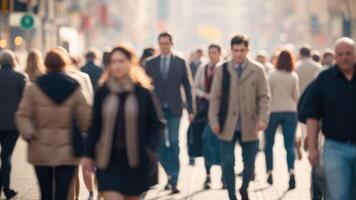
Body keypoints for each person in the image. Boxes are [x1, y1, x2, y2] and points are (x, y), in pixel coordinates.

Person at [81, 45, 165, 200]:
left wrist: (149, 150)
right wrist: (88, 154)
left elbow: (157, 124)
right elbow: (95, 125)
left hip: (136, 160)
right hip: (108, 159)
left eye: (121, 61)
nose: (117, 65)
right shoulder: (103, 92)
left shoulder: (143, 92)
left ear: (130, 63)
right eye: (113, 62)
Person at [15, 48, 91, 200]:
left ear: (46, 64)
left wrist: (29, 133)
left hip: (40, 146)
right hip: (68, 148)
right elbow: (87, 119)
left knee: (45, 193)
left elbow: (22, 115)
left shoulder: (33, 88)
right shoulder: (75, 87)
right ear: (65, 64)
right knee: (62, 194)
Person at [209, 35, 271, 200]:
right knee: (228, 162)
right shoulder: (222, 69)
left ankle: (244, 188)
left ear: (247, 50)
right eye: (235, 50)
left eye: (242, 50)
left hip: (250, 124)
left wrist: (263, 118)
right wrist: (214, 120)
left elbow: (264, 97)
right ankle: (231, 195)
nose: (238, 54)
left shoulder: (257, 70)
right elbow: (215, 97)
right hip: (226, 123)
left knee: (249, 163)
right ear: (231, 50)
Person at [145, 32, 195, 194]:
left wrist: (191, 110)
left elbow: (188, 87)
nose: (164, 46)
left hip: (175, 109)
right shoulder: (150, 63)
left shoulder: (180, 62)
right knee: (159, 144)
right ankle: (168, 173)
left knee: (174, 143)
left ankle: (174, 179)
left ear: (172, 44)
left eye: (166, 43)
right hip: (156, 110)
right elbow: (145, 88)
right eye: (161, 44)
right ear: (158, 45)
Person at [307, 37, 356, 200]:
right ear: (335, 55)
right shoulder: (324, 79)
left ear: (354, 54)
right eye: (340, 54)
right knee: (338, 196)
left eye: (348, 53)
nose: (344, 57)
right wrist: (313, 148)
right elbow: (313, 116)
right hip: (335, 148)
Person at [263, 50, 299, 189]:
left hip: (272, 111)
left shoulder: (271, 75)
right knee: (289, 146)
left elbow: (267, 94)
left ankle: (270, 172)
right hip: (290, 111)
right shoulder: (293, 75)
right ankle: (291, 172)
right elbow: (295, 96)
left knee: (269, 144)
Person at [195, 44, 223, 189]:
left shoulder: (225, 68)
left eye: (214, 52)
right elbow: (196, 87)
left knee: (222, 142)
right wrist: (205, 95)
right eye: (210, 52)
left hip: (222, 112)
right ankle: (208, 174)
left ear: (220, 53)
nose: (212, 55)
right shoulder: (203, 68)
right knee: (206, 140)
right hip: (205, 111)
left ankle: (225, 175)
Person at [0, 50, 27, 199]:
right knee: (6, 155)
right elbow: (27, 100)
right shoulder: (20, 77)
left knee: (4, 156)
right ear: (13, 61)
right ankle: (7, 188)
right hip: (12, 124)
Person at [69, 55, 95, 200]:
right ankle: (91, 193)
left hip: (70, 126)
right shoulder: (84, 76)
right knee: (86, 165)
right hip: (83, 125)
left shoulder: (64, 77)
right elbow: (90, 98)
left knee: (73, 170)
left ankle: (76, 196)